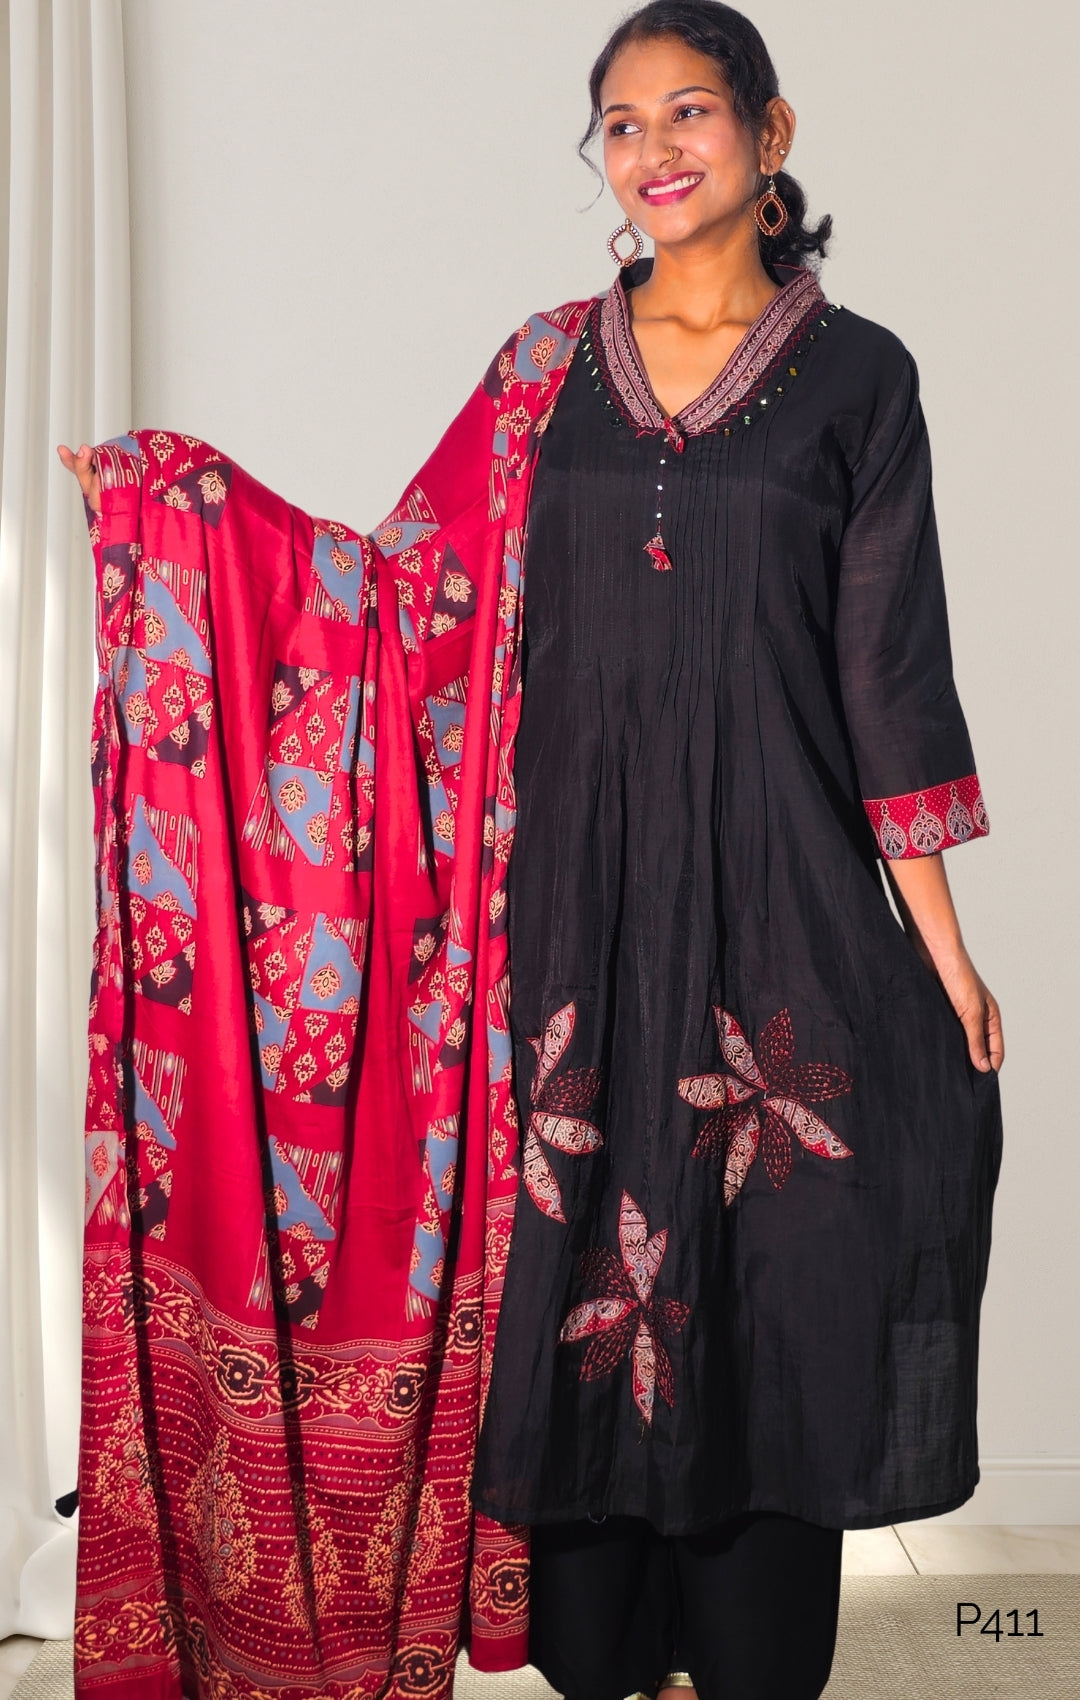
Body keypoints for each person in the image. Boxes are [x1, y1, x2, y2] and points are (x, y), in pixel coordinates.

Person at [60, 5, 1003, 1699]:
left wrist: (941, 950)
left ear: (770, 139)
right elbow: (396, 595)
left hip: (786, 927)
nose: (656, 151)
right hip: (565, 930)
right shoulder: (538, 372)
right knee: (586, 1294)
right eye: (622, 124)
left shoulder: (862, 376)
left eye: (692, 112)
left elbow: (892, 678)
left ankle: (752, 1651)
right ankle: (609, 1653)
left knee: (781, 1293)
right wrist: (182, 508)